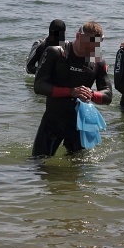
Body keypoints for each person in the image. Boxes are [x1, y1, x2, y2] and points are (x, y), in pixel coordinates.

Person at [32, 21, 112, 157]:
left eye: (96, 45)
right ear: (78, 36)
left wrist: (91, 94)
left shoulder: (97, 61)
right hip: (53, 121)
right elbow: (39, 86)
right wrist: (70, 92)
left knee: (76, 170)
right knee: (38, 165)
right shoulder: (56, 52)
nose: (92, 49)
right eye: (89, 43)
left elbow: (108, 95)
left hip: (80, 126)